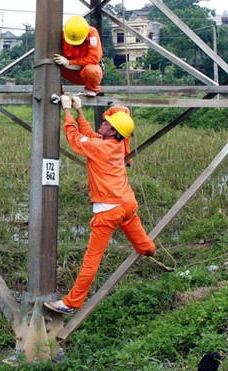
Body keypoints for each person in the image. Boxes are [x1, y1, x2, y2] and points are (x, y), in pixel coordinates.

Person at [45, 96, 155, 315]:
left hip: (108, 211)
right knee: (134, 229)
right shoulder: (118, 144)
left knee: (91, 259)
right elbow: (91, 135)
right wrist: (79, 111)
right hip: (127, 204)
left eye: (107, 123)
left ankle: (72, 303)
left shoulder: (100, 147)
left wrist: (67, 111)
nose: (102, 123)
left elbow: (75, 139)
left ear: (114, 131)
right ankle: (148, 249)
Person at [53, 15, 104, 97]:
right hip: (68, 72)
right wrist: (65, 63)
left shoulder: (92, 33)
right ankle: (57, 92)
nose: (74, 44)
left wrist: (69, 62)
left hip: (86, 73)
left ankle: (91, 89)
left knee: (92, 70)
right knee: (51, 64)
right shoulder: (61, 34)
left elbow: (94, 58)